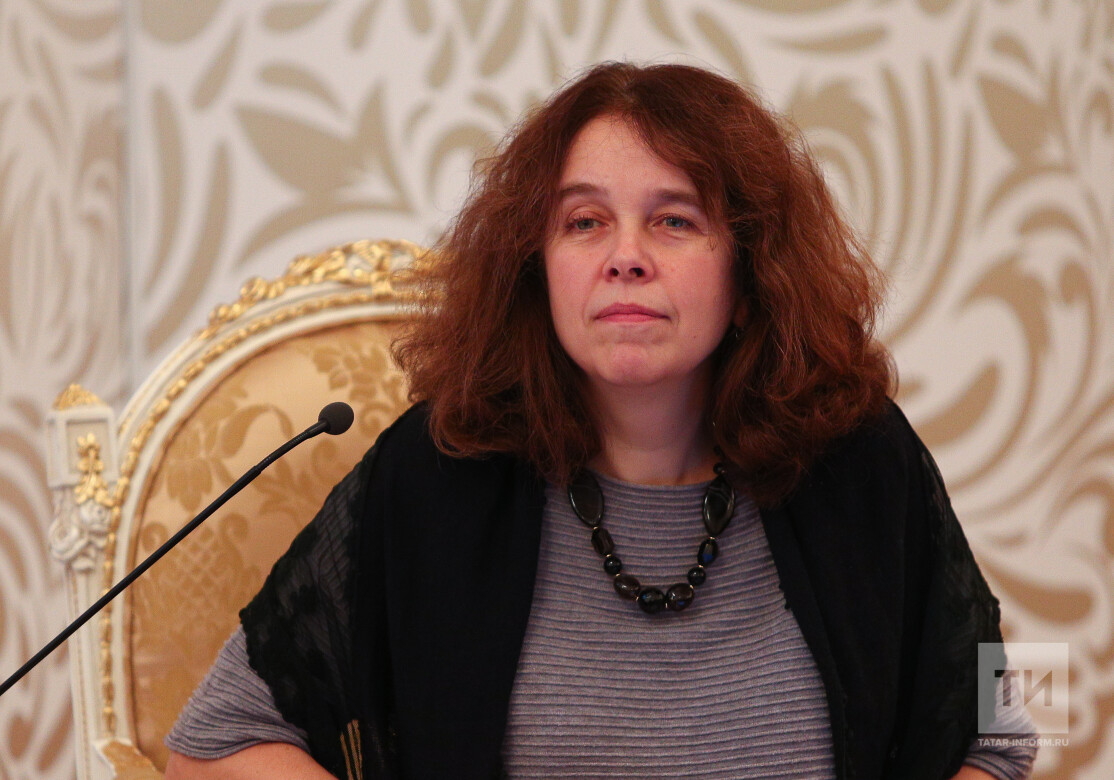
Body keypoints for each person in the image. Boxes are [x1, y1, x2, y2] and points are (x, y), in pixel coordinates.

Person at [163, 62, 1037, 779]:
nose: (626, 257)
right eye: (584, 222)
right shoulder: (435, 473)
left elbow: (1012, 723)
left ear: (749, 273)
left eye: (674, 220)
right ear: (537, 271)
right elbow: (212, 743)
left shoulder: (862, 457)